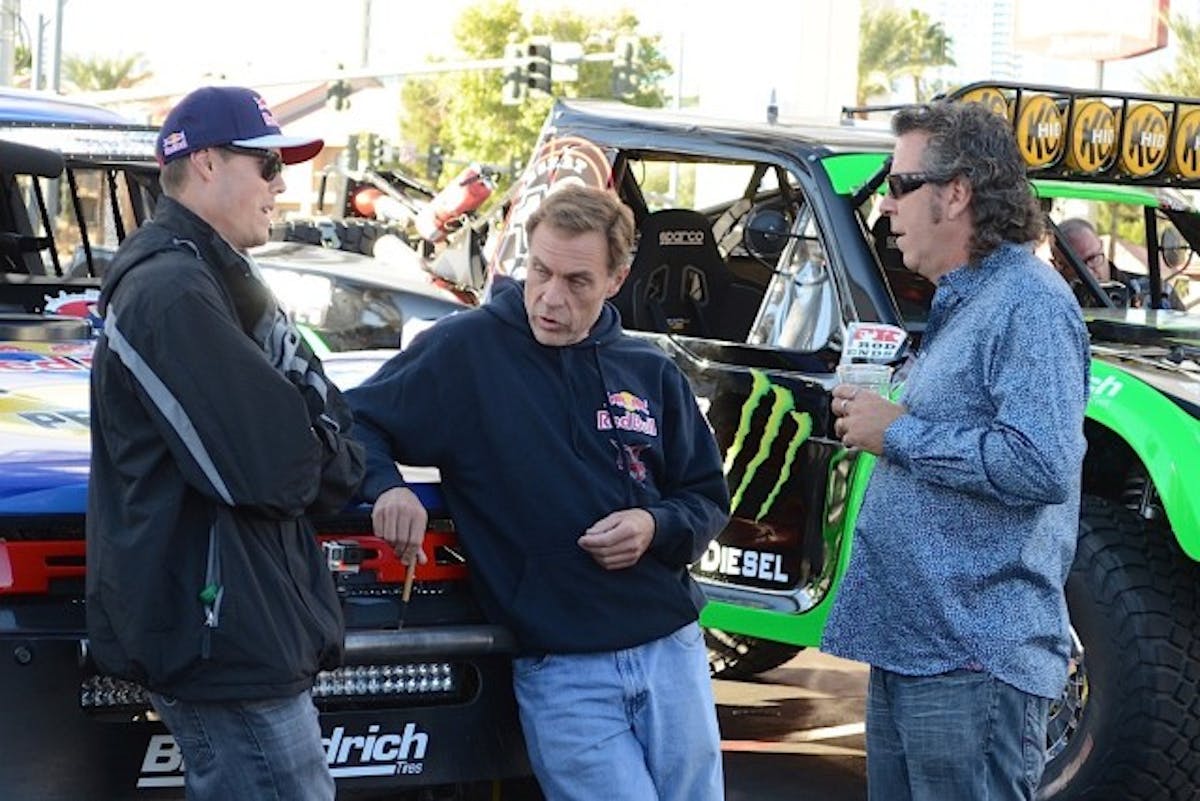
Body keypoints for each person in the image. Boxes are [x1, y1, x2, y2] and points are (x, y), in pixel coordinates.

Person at [346, 185, 729, 801]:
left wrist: (654, 526)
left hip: (672, 648)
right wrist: (388, 488)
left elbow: (706, 498)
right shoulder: (465, 351)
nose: (551, 297)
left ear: (617, 280)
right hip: (562, 667)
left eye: (577, 281)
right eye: (541, 271)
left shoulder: (651, 370)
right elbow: (350, 421)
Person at [86, 86, 364, 801]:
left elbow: (335, 439)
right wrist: (318, 442)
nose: (281, 185)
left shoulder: (223, 280)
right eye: (268, 165)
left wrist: (318, 443)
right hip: (222, 637)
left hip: (246, 628)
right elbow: (279, 470)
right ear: (206, 163)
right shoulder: (171, 291)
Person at [823, 101, 1090, 801]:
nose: (885, 206)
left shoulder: (1029, 303)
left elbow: (1040, 463)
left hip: (971, 660)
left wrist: (897, 433)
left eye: (899, 184)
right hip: (917, 649)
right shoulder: (969, 299)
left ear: (957, 193)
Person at [1054, 217, 1185, 309]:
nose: (1088, 272)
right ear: (1059, 267)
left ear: (1102, 246)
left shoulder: (1157, 292)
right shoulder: (1055, 303)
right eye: (1076, 267)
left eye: (1093, 258)